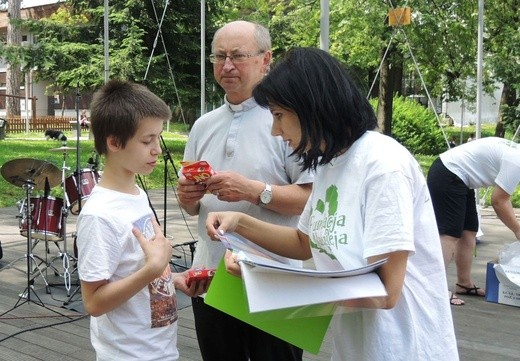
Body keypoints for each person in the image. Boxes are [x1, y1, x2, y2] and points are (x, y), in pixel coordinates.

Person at [205, 48, 459, 361]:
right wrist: (239, 224)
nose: (275, 130)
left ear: (311, 107)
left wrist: (265, 280)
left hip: (405, 349)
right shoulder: (329, 164)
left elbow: (384, 290)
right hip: (355, 348)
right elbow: (304, 243)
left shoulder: (383, 165)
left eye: (279, 115)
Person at [177, 21, 313, 361]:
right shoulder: (203, 124)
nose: (226, 66)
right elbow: (193, 206)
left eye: (238, 56)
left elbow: (312, 198)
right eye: (219, 56)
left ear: (266, 60)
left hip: (277, 278)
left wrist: (254, 191)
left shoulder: (288, 118)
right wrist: (187, 198)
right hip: (212, 276)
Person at [76, 79, 207, 360]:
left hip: (159, 349)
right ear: (113, 142)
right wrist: (153, 269)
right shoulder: (100, 215)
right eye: (147, 140)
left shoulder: (135, 193)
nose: (157, 149)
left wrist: (172, 278)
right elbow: (94, 302)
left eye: (157, 138)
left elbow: (137, 267)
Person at [427, 136, 520, 305]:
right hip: (448, 173)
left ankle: (464, 283)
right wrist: (517, 229)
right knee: (450, 233)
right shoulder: (517, 163)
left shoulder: (516, 155)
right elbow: (499, 201)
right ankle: (436, 289)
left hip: (461, 178)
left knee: (468, 230)